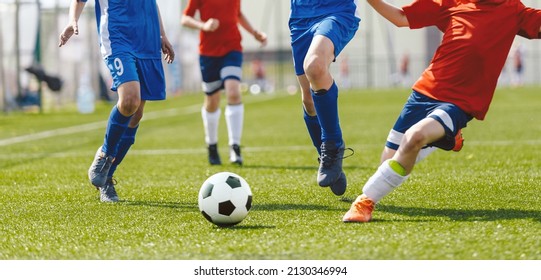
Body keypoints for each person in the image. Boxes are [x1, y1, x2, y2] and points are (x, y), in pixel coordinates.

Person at [343, 0, 541, 222]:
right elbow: (400, 18)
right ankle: (446, 137)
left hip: (460, 102)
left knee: (413, 138)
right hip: (424, 92)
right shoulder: (450, 2)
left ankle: (364, 202)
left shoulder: (513, 10)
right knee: (388, 162)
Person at [59, 0, 175, 202]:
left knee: (136, 113)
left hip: (147, 40)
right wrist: (72, 20)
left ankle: (107, 178)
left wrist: (162, 34)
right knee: (130, 99)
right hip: (118, 36)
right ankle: (105, 155)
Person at [181, 0, 267, 166]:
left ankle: (235, 147)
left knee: (233, 92)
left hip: (232, 48)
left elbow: (238, 14)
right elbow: (185, 18)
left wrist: (254, 33)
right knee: (212, 101)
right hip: (208, 53)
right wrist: (203, 25)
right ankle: (212, 146)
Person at [289, 0, 360, 196]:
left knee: (314, 66)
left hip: (336, 11)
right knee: (308, 101)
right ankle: (327, 159)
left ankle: (333, 144)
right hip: (300, 17)